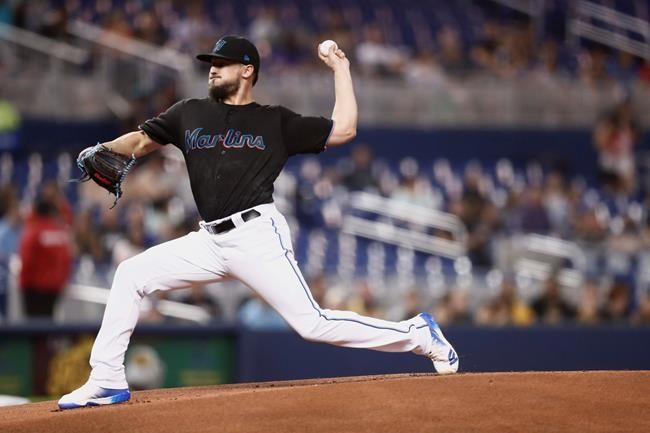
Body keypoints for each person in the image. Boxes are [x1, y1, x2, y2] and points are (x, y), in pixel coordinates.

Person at [58, 35, 458, 410]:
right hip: (208, 240)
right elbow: (142, 141)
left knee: (313, 325)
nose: (213, 69)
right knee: (131, 274)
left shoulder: (274, 121)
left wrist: (341, 69)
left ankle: (417, 334)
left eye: (223, 63)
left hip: (255, 235)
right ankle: (107, 377)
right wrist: (104, 148)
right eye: (211, 64)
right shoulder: (189, 112)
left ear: (247, 70)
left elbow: (345, 129)